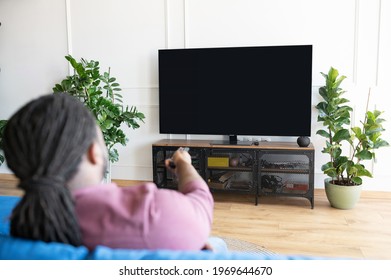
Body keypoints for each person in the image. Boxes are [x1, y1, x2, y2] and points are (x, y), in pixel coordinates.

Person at [3, 93, 217, 251]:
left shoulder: (22, 220)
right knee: (217, 244)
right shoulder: (152, 212)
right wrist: (185, 164)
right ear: (94, 152)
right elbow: (200, 203)